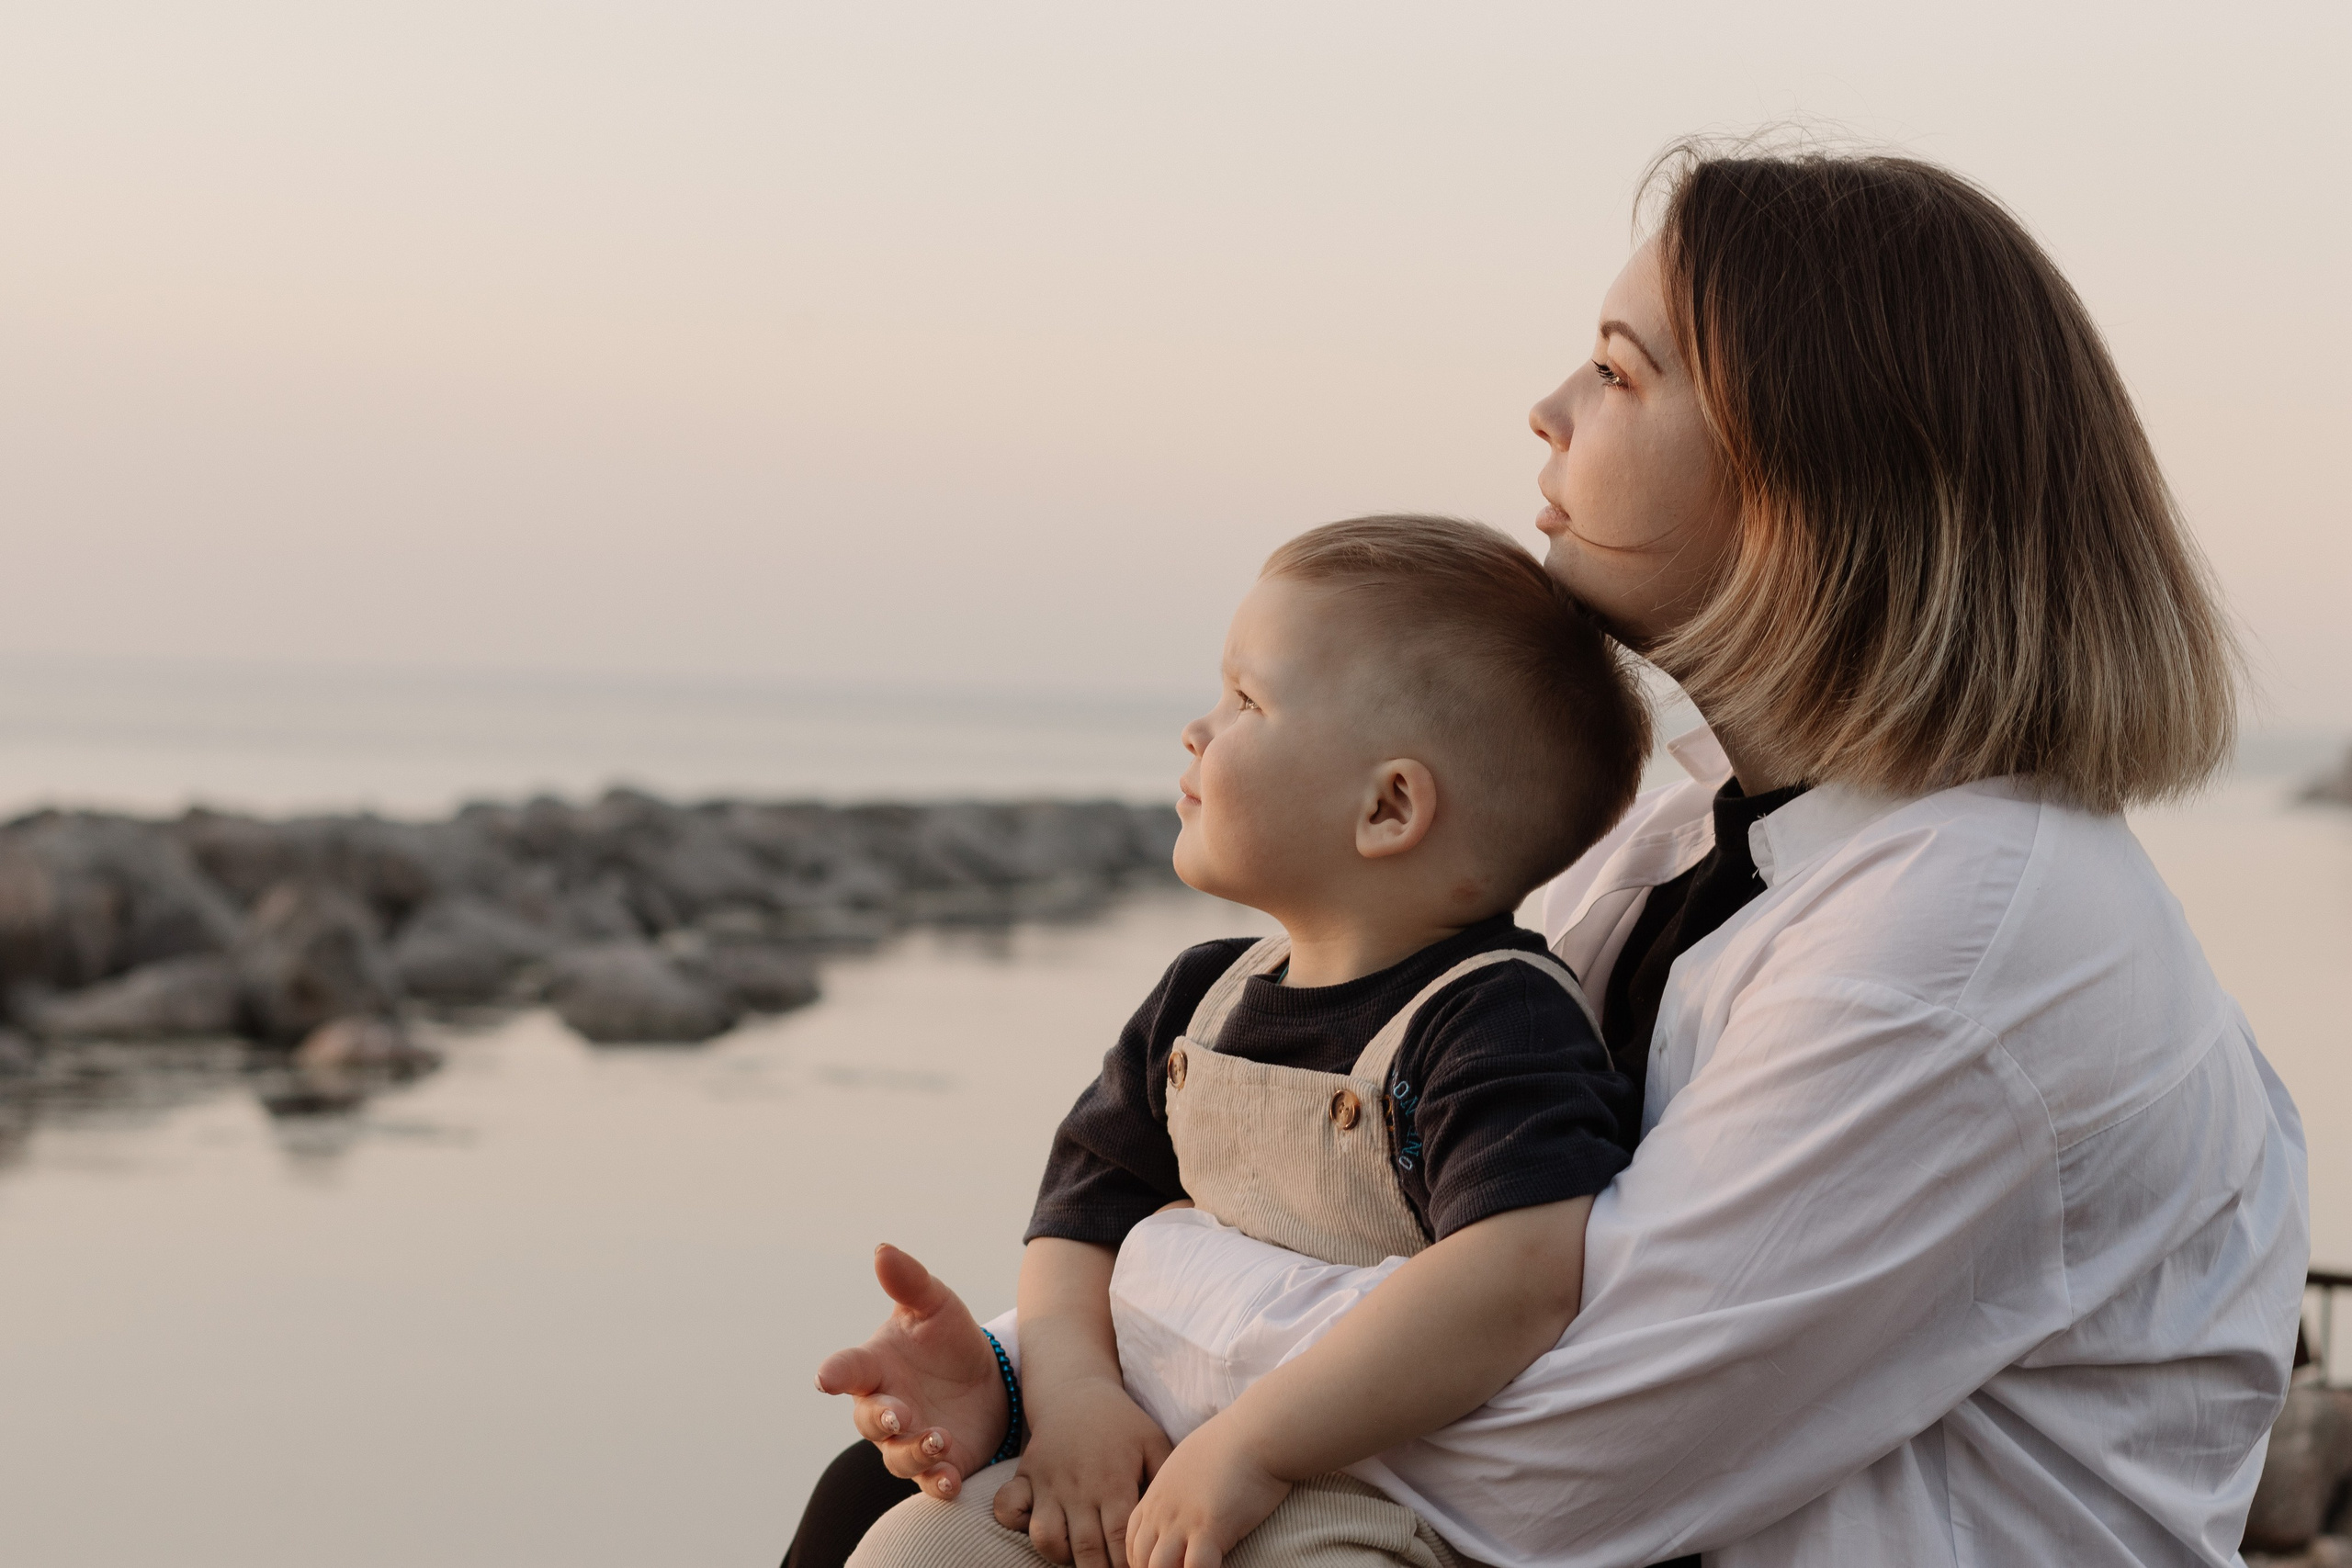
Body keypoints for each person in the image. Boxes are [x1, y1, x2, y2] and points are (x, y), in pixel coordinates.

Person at [790, 143, 2308, 1567]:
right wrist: (1022, 1374)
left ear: (1804, 479)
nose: (1548, 408)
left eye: (1620, 371)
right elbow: (1402, 1233)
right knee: (892, 1487)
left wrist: (1134, 1280)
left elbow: (1556, 1452)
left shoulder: (1976, 939)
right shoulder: (1688, 837)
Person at [824, 513, 1654, 1568]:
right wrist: (1074, 1401)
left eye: (1247, 702)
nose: (1197, 729)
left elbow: (1515, 1278)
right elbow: (1079, 1219)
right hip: (1135, 1448)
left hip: (1354, 1490)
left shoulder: (1497, 1019)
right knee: (915, 1546)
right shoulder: (1203, 997)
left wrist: (1255, 1447)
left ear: (1389, 807)